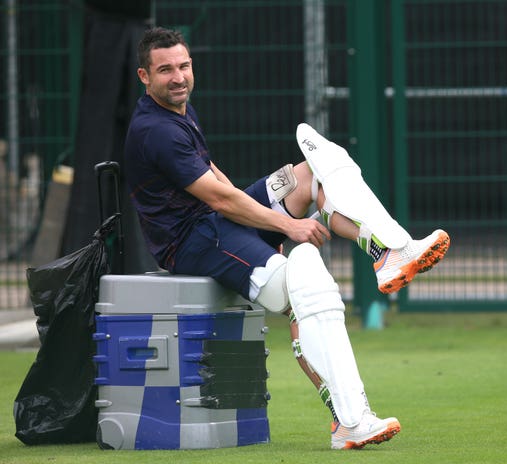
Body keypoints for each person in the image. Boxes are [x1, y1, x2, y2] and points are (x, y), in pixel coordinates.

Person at [124, 27, 450, 450]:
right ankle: (349, 419)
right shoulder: (157, 130)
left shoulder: (178, 110)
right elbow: (219, 199)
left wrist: (263, 214)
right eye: (165, 69)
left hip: (220, 220)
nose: (178, 76)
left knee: (317, 167)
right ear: (144, 76)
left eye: (183, 66)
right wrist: (286, 225)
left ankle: (388, 251)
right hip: (195, 241)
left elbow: (214, 175)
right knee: (308, 290)